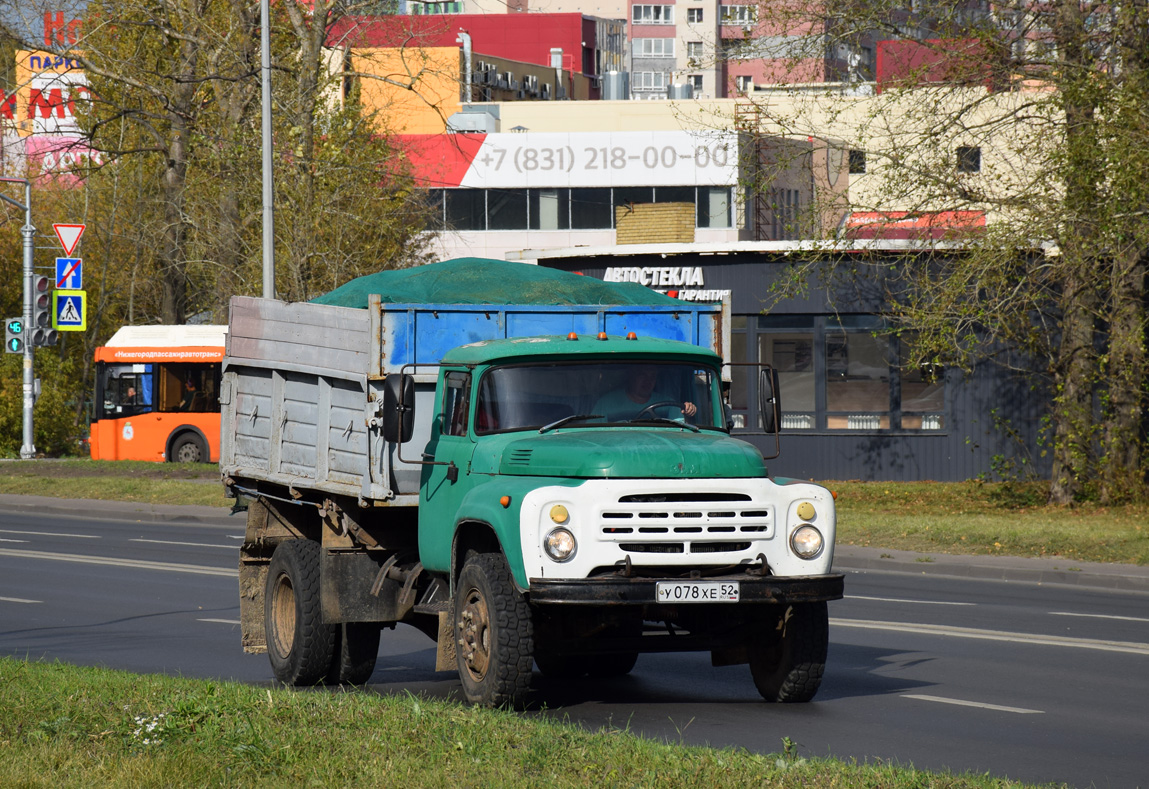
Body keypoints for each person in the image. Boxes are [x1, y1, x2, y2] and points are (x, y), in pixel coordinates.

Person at [593, 364, 697, 422]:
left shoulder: (669, 404)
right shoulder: (606, 404)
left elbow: (679, 431)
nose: (648, 380)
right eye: (642, 375)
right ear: (631, 376)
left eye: (653, 376)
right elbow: (594, 435)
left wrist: (688, 411)